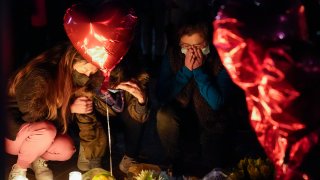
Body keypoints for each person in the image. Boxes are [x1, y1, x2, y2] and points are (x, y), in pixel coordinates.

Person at [156, 15, 247, 177]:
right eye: (186, 46)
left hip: (212, 121)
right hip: (182, 119)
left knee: (211, 168)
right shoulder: (172, 55)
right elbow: (162, 95)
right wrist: (184, 72)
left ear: (208, 44)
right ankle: (173, 161)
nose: (192, 52)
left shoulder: (221, 59)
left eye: (198, 46)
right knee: (164, 115)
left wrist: (199, 71)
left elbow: (217, 102)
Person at [5, 42, 95, 180]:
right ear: (72, 60)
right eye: (85, 69)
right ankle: (19, 168)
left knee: (66, 149)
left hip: (38, 136)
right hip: (13, 134)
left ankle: (36, 158)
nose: (87, 75)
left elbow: (56, 122)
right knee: (47, 131)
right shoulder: (41, 75)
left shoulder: (69, 78)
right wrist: (70, 108)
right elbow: (32, 116)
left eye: (92, 73)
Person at [75, 48, 151, 174]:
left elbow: (140, 117)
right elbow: (85, 119)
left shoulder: (137, 78)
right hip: (100, 116)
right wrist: (92, 154)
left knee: (140, 112)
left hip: (124, 116)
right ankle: (92, 151)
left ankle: (130, 157)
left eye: (117, 87)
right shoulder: (88, 76)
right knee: (86, 109)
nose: (114, 89)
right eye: (111, 87)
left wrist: (141, 100)